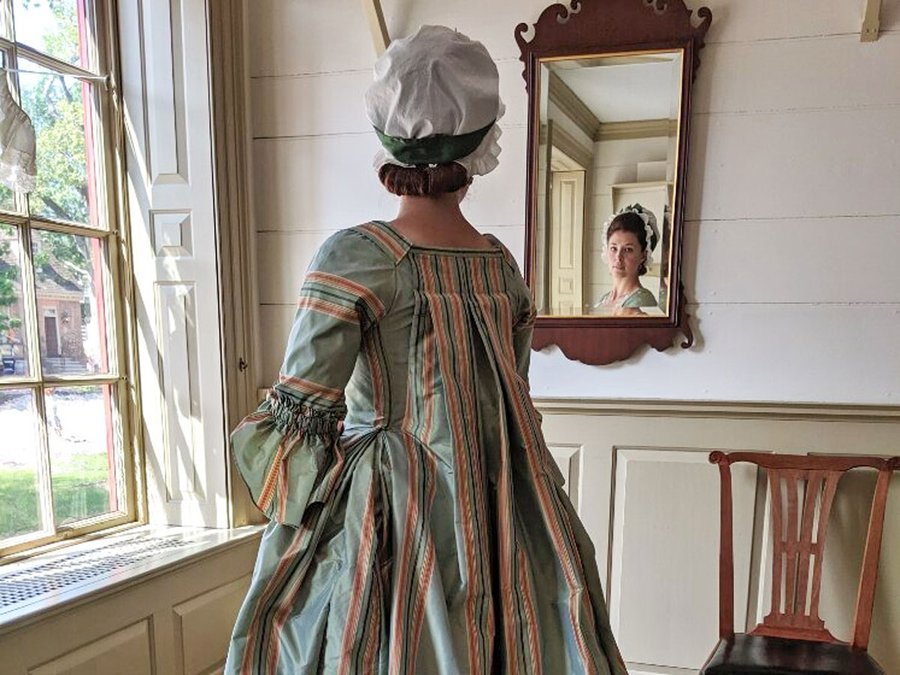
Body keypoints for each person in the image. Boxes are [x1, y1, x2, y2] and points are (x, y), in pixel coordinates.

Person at [225, 25, 628, 675]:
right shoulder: (501, 268)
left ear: (389, 137)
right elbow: (506, 400)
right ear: (480, 141)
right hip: (505, 505)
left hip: (389, 513)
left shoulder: (356, 257)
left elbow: (300, 420)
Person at [597, 205, 659, 313]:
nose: (618, 257)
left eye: (628, 249)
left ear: (643, 255)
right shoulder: (604, 299)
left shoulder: (643, 302)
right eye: (613, 248)